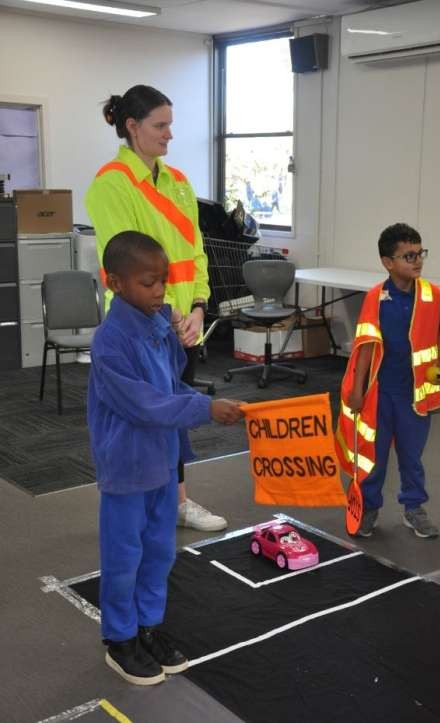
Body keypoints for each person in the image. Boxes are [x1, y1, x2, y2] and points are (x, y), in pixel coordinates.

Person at [88, 231, 244, 685]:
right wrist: (203, 408)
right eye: (147, 283)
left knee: (159, 551)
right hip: (126, 468)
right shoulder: (110, 341)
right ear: (115, 282)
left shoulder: (156, 324)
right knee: (124, 555)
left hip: (161, 460)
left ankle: (147, 626)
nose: (159, 292)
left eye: (163, 281)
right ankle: (120, 640)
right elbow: (144, 403)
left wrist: (180, 347)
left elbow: (171, 384)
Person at [85, 84, 227, 532]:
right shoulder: (112, 184)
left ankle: (175, 501)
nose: (169, 135)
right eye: (159, 125)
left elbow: (196, 253)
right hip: (142, 326)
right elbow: (127, 263)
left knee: (173, 418)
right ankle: (145, 507)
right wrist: (168, 316)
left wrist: (200, 307)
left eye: (170, 125)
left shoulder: (179, 183)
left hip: (183, 324)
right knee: (146, 415)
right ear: (132, 127)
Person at [335, 222, 440, 539]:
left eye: (419, 253)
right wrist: (357, 392)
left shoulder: (433, 295)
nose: (417, 260)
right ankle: (369, 506)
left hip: (415, 395)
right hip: (379, 395)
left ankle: (413, 509)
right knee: (375, 456)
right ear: (388, 262)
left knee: (412, 459)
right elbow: (362, 349)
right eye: (408, 255)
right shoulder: (375, 298)